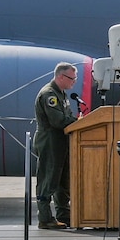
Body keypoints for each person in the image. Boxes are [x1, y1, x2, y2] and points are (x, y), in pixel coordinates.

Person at [33, 62, 80, 228]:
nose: (74, 82)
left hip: (61, 142)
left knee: (63, 180)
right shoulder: (49, 95)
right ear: (61, 76)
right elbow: (58, 121)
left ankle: (63, 215)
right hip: (50, 142)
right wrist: (78, 122)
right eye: (72, 78)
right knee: (48, 179)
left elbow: (66, 117)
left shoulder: (62, 94)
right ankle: (45, 218)